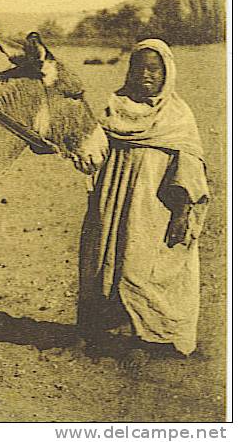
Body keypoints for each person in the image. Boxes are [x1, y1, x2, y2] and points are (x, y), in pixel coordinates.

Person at [77, 39, 209, 372]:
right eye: (139, 67)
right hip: (112, 201)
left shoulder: (177, 115)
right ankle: (108, 333)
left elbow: (190, 166)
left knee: (141, 268)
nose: (146, 75)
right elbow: (95, 150)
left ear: (167, 72)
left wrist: (183, 212)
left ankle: (148, 338)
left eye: (154, 68)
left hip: (153, 207)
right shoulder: (113, 106)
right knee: (106, 262)